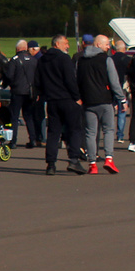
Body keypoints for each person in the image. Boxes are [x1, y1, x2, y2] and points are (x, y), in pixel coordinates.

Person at [34, 34, 87, 175]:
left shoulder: (42, 60)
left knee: (53, 132)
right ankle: (74, 160)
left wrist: (43, 94)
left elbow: (37, 81)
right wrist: (77, 97)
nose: (67, 46)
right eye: (65, 43)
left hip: (52, 100)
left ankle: (51, 164)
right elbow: (70, 79)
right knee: (75, 129)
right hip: (67, 99)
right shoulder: (64, 59)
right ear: (57, 44)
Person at [77, 34, 126, 174]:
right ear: (98, 44)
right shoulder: (106, 60)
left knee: (90, 132)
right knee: (108, 130)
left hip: (88, 101)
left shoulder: (81, 60)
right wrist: (121, 99)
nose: (109, 46)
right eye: (106, 44)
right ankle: (109, 158)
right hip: (105, 100)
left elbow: (78, 80)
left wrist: (79, 97)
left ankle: (92, 163)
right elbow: (114, 82)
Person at [7, 40, 39, 148]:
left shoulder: (15, 60)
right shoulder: (34, 60)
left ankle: (13, 140)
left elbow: (9, 76)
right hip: (30, 92)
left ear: (17, 49)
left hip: (17, 91)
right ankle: (33, 139)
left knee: (14, 117)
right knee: (28, 116)